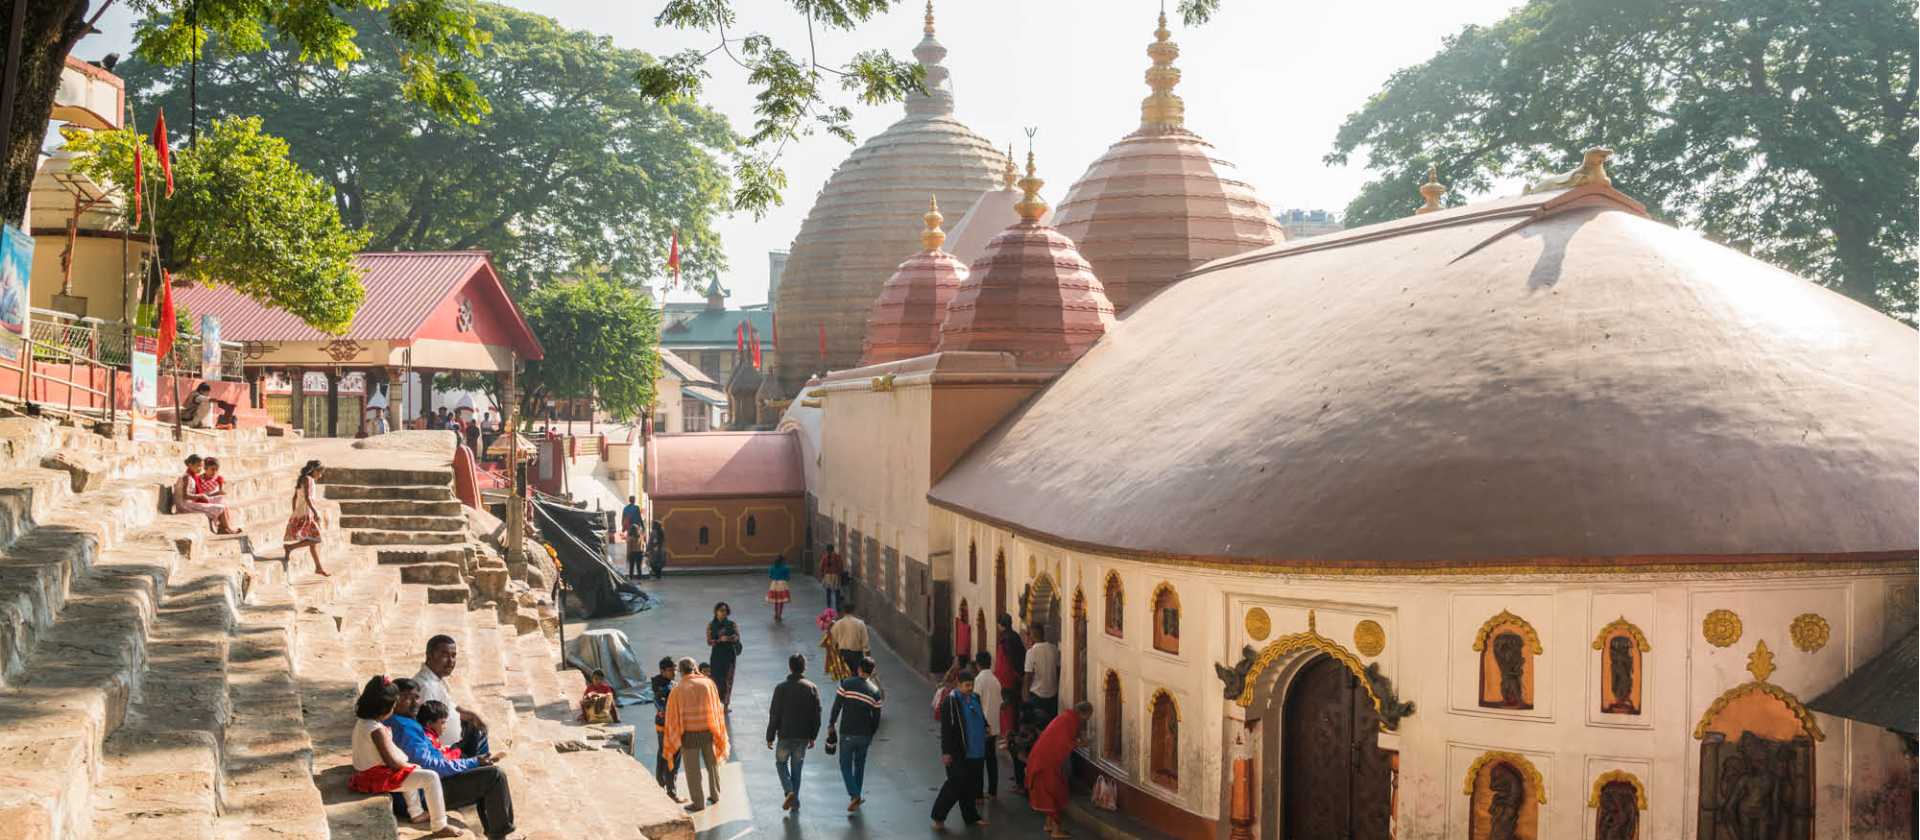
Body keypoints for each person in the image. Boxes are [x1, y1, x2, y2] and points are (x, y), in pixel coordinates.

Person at [386, 679, 517, 840]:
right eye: (408, 698)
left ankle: (494, 832)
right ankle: (498, 836)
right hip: (423, 795)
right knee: (494, 777)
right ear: (395, 699)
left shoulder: (403, 721)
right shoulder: (404, 728)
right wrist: (473, 762)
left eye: (416, 697)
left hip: (423, 786)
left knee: (482, 766)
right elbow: (431, 766)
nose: (415, 703)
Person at [348, 677, 460, 838]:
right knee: (430, 777)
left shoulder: (364, 722)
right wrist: (408, 765)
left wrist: (408, 765)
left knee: (411, 770)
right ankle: (440, 824)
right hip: (375, 777)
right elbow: (392, 762)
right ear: (384, 709)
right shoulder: (377, 730)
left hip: (365, 773)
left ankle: (416, 813)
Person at [663, 657, 729, 812]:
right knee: (712, 765)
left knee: (693, 771)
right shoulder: (708, 684)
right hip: (708, 731)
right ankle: (715, 794)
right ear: (695, 667)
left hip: (689, 734)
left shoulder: (677, 690)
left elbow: (671, 716)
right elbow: (717, 708)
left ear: (680, 671)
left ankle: (698, 803)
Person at [414, 635, 490, 760]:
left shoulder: (436, 679)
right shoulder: (426, 686)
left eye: (453, 656)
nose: (451, 661)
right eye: (445, 655)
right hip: (445, 753)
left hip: (455, 745)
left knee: (477, 727)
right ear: (430, 655)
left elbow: (448, 705)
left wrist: (469, 714)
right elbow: (427, 729)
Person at [931, 670, 989, 828]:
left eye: (972, 685)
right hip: (958, 751)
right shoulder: (950, 702)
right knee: (955, 784)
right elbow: (946, 730)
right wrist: (946, 752)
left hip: (976, 750)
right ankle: (938, 816)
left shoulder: (975, 697)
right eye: (967, 685)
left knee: (970, 786)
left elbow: (980, 716)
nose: (970, 688)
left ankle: (971, 817)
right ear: (958, 684)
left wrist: (986, 726)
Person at [1024, 701, 1091, 839]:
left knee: (1052, 791)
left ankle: (1048, 824)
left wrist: (1078, 739)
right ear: (1083, 714)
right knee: (1054, 793)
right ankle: (1056, 830)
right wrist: (1081, 743)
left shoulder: (1067, 717)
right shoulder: (1070, 721)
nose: (1087, 720)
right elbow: (1065, 742)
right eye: (1088, 717)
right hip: (1045, 764)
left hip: (1040, 760)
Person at [826, 656, 883, 812]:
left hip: (847, 733)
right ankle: (855, 796)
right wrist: (870, 734)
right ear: (871, 672)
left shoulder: (846, 684)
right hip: (864, 735)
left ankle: (855, 794)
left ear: (859, 669)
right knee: (859, 765)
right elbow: (876, 718)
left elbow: (836, 706)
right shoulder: (875, 692)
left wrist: (831, 724)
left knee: (845, 765)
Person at [765, 653, 821, 813]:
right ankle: (794, 799)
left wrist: (770, 736)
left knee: (781, 763)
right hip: (803, 736)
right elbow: (816, 714)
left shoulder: (781, 688)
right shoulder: (811, 688)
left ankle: (789, 791)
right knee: (797, 767)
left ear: (790, 667)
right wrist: (813, 735)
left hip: (784, 734)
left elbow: (774, 713)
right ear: (804, 667)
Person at [283, 460, 329, 576]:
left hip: (302, 512)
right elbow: (308, 498)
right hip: (307, 513)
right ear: (314, 471)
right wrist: (315, 512)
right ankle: (290, 547)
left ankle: (318, 567)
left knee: (313, 542)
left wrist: (295, 512)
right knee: (316, 539)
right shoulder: (308, 479)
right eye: (320, 473)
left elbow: (294, 498)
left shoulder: (303, 479)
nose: (320, 475)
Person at [174, 455, 234, 534]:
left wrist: (202, 496)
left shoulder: (193, 476)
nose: (200, 469)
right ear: (190, 465)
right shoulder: (187, 477)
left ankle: (223, 527)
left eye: (201, 466)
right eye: (198, 466)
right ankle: (226, 528)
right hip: (185, 505)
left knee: (221, 499)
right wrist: (200, 496)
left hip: (190, 502)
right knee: (220, 508)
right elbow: (185, 496)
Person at [972, 651, 1003, 800]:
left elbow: (975, 701)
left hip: (982, 725)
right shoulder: (995, 680)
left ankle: (977, 794)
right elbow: (1001, 704)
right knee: (991, 758)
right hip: (994, 726)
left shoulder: (979, 680)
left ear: (977, 664)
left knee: (978, 760)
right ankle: (993, 791)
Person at [649, 657, 680, 801]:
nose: (673, 672)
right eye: (670, 670)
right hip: (666, 725)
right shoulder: (661, 685)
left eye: (674, 669)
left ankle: (660, 784)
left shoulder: (669, 683)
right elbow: (659, 703)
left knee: (663, 753)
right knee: (670, 755)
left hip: (667, 724)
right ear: (662, 671)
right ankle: (670, 790)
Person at [706, 603, 742, 708]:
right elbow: (709, 642)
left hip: (729, 656)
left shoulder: (732, 624)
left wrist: (730, 639)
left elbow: (737, 637)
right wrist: (719, 640)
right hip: (717, 656)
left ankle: (726, 704)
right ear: (716, 611)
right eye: (721, 610)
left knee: (728, 680)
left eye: (725, 610)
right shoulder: (711, 625)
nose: (723, 613)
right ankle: (716, 703)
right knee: (716, 679)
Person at [1024, 624, 1062, 722]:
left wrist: (1025, 695)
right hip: (1053, 694)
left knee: (1037, 725)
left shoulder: (1031, 652)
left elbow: (1028, 676)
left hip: (1037, 695)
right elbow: (1058, 670)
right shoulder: (1054, 649)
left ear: (1032, 636)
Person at [829, 603, 870, 679]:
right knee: (858, 677)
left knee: (844, 678)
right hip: (857, 655)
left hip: (843, 654)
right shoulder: (860, 623)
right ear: (854, 611)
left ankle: (845, 689)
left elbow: (833, 642)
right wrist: (868, 658)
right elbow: (865, 643)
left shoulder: (837, 624)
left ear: (843, 611)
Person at [816, 543, 843, 611]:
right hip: (835, 576)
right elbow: (840, 566)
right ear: (833, 549)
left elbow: (821, 567)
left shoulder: (825, 557)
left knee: (828, 592)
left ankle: (829, 607)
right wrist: (839, 574)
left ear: (827, 550)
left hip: (827, 576)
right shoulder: (837, 556)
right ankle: (838, 607)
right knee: (837, 592)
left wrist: (822, 575)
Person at [766, 555, 792, 621]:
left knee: (776, 601)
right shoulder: (785, 568)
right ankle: (779, 615)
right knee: (781, 601)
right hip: (782, 585)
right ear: (782, 561)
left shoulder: (772, 567)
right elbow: (788, 578)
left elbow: (770, 576)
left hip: (774, 584)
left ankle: (775, 614)